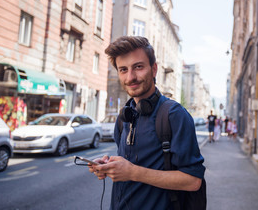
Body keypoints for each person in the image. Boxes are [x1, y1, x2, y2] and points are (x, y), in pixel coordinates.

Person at [88, 36, 205, 209]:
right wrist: (110, 165)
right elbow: (127, 162)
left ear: (154, 69)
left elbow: (193, 181)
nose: (130, 77)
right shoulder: (123, 117)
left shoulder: (174, 115)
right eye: (123, 69)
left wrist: (133, 172)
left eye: (138, 67)